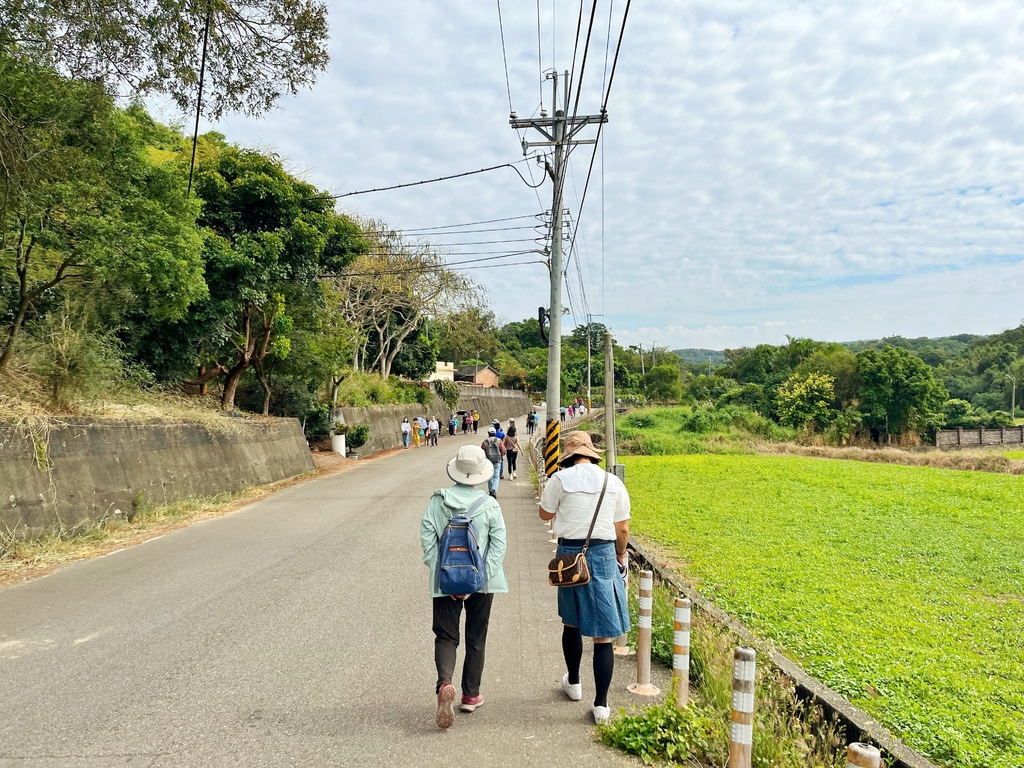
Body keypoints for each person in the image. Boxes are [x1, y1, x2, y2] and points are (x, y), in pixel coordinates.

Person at [539, 431, 631, 725]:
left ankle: (574, 683)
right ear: (593, 454)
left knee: (572, 620)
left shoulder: (560, 479)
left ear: (569, 456)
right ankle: (601, 704)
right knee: (603, 632)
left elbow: (544, 514)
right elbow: (623, 530)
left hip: (569, 555)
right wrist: (620, 556)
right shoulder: (612, 481)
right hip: (603, 554)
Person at [421, 445, 508, 729]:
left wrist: (445, 573)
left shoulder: (438, 501)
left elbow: (428, 541)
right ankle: (470, 696)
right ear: (481, 473)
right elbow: (499, 545)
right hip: (482, 584)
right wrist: (479, 578)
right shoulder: (490, 505)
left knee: (446, 636)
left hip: (445, 581)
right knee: (476, 636)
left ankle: (444, 683)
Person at [480, 427, 506, 498]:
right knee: (496, 476)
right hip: (497, 460)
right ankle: (494, 490)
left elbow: (482, 452)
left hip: (488, 461)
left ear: (488, 433)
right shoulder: (499, 441)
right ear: (494, 433)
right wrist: (501, 456)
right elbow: (503, 450)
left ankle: (491, 490)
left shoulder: (485, 442)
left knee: (489, 476)